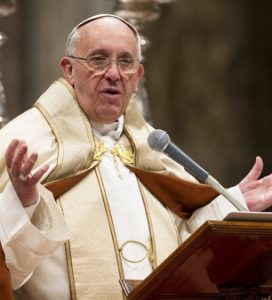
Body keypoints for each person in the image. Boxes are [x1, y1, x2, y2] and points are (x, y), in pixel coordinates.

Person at [0, 13, 271, 300]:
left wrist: (231, 206)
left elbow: (184, 256)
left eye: (126, 62)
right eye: (98, 59)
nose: (114, 73)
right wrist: (23, 203)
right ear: (68, 69)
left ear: (138, 76)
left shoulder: (153, 149)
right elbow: (9, 271)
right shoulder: (24, 144)